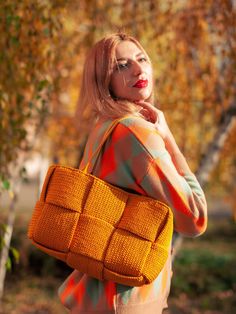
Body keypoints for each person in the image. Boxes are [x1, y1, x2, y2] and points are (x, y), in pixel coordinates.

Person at [58, 32, 207, 314]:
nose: (138, 69)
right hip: (126, 299)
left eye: (142, 59)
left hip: (96, 293)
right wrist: (168, 138)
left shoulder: (104, 126)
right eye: (121, 65)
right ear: (105, 80)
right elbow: (195, 218)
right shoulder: (135, 133)